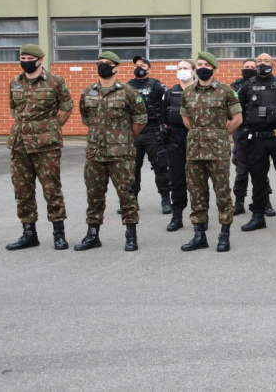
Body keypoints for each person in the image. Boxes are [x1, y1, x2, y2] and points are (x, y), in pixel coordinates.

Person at [75, 51, 147, 252]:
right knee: (94, 196)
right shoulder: (88, 91)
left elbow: (140, 120)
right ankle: (92, 235)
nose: (102, 66)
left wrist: (123, 137)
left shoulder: (128, 92)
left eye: (107, 63)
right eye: (99, 63)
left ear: (116, 67)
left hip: (121, 155)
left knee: (126, 195)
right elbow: (86, 118)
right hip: (95, 154)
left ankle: (130, 235)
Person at [5, 44, 73, 251]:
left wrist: (50, 128)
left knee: (52, 189)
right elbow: (13, 109)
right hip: (19, 144)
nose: (24, 60)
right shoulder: (15, 82)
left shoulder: (55, 81)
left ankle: (58, 234)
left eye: (28, 57)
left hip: (46, 146)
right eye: (22, 57)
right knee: (22, 190)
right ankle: (29, 234)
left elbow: (66, 108)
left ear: (39, 60)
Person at [180, 52, 243, 252]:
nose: (202, 67)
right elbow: (186, 119)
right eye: (199, 64)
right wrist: (200, 134)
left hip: (218, 152)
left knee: (223, 194)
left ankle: (224, 235)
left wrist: (221, 136)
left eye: (206, 64)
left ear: (214, 69)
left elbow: (237, 119)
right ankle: (199, 236)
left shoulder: (226, 91)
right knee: (196, 194)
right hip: (194, 151)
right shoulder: (188, 92)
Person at [237, 53, 276, 232]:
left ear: (273, 64)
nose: (262, 64)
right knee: (258, 178)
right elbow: (238, 110)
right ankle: (258, 216)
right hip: (256, 139)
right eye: (260, 61)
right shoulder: (247, 86)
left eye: (266, 61)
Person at [231, 59, 275, 217]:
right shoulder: (235, 87)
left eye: (252, 67)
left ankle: (265, 202)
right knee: (241, 170)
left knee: (261, 170)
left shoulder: (262, 84)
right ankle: (239, 202)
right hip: (241, 132)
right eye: (246, 67)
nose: (249, 69)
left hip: (259, 132)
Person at [127, 56, 171, 214]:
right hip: (134, 132)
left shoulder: (156, 85)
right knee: (132, 168)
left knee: (160, 166)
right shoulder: (128, 86)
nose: (139, 67)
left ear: (149, 69)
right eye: (137, 65)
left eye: (143, 65)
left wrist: (166, 123)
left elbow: (168, 102)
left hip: (153, 131)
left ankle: (166, 199)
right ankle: (132, 201)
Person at [161, 59, 199, 232]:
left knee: (198, 181)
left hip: (197, 139)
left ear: (193, 71)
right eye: (179, 68)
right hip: (175, 140)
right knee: (176, 180)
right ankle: (177, 216)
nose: (182, 71)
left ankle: (200, 216)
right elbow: (163, 117)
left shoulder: (201, 92)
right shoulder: (170, 93)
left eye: (185, 68)